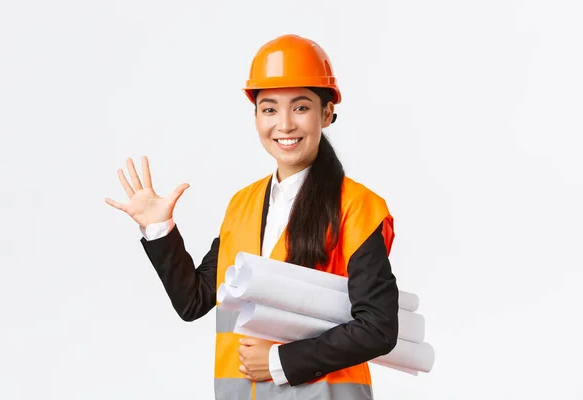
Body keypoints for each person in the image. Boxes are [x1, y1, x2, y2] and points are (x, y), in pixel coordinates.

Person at [105, 34, 400, 400]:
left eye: (301, 107)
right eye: (270, 108)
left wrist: (280, 361)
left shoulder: (357, 206)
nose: (285, 124)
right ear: (257, 116)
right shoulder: (242, 204)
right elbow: (194, 301)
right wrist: (159, 229)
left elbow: (379, 327)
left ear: (326, 113)